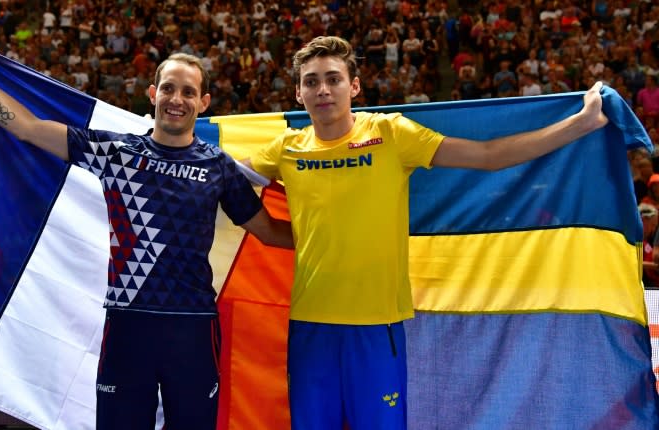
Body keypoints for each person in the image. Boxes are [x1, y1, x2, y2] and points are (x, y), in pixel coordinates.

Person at [0, 25, 294, 430]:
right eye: (169, 89)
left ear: (203, 102)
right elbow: (26, 127)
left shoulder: (219, 167)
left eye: (188, 92)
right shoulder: (115, 153)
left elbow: (270, 232)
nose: (177, 99)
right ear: (152, 95)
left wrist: (345, 236)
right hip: (127, 328)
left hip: (192, 330)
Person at [243, 35, 608, 430]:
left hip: (376, 326)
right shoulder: (286, 149)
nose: (323, 89)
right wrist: (264, 229)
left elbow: (488, 157)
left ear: (355, 86)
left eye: (333, 78)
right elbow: (217, 176)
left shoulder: (391, 134)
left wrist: (580, 123)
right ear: (298, 93)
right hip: (311, 325)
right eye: (311, 82)